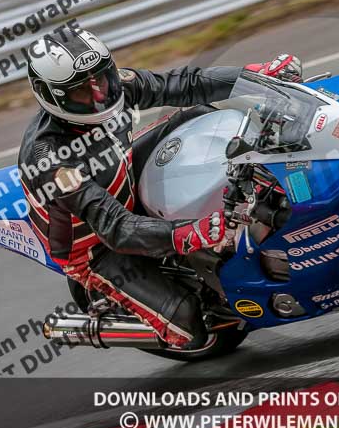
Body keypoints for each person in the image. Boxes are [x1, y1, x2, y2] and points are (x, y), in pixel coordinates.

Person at [18, 27, 302, 349]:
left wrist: (255, 76)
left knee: (198, 115)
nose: (99, 95)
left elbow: (183, 84)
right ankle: (94, 325)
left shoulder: (112, 88)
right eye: (83, 91)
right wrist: (189, 233)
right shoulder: (49, 160)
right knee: (188, 327)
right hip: (96, 243)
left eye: (102, 79)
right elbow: (115, 228)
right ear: (51, 95)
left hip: (123, 173)